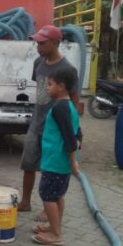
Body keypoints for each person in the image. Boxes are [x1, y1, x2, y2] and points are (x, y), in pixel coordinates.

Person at [18, 25, 79, 218]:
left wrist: (74, 129)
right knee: (28, 163)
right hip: (37, 122)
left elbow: (74, 99)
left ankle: (49, 208)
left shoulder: (67, 69)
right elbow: (42, 92)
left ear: (55, 43)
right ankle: (25, 201)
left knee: (50, 168)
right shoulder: (38, 63)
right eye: (37, 42)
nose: (38, 46)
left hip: (56, 127)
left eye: (42, 43)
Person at [32, 68, 80, 246]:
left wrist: (73, 160)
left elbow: (69, 137)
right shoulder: (69, 107)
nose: (48, 88)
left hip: (56, 161)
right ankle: (54, 226)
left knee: (47, 195)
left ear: (61, 87)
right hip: (59, 161)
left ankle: (56, 234)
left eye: (50, 85)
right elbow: (78, 132)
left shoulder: (60, 108)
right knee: (58, 194)